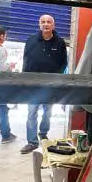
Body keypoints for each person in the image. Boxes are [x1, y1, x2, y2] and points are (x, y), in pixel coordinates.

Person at [20, 14, 68, 154]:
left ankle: (43, 134)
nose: (46, 24)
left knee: (47, 112)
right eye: (43, 22)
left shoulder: (60, 42)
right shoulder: (31, 40)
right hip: (33, 85)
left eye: (49, 22)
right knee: (32, 112)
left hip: (50, 85)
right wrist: (24, 81)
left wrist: (56, 80)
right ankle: (32, 142)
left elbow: (63, 63)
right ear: (39, 24)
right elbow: (26, 60)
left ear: (53, 25)